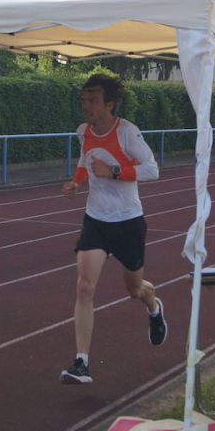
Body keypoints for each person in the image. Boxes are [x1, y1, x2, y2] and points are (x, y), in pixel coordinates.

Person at [59, 73, 164, 384]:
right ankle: (81, 362)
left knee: (134, 289)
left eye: (92, 100)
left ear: (109, 104)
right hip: (96, 219)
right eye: (83, 100)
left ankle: (153, 305)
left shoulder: (127, 132)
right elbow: (85, 160)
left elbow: (152, 170)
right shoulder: (83, 131)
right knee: (84, 287)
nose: (86, 106)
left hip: (128, 221)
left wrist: (114, 171)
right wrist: (76, 182)